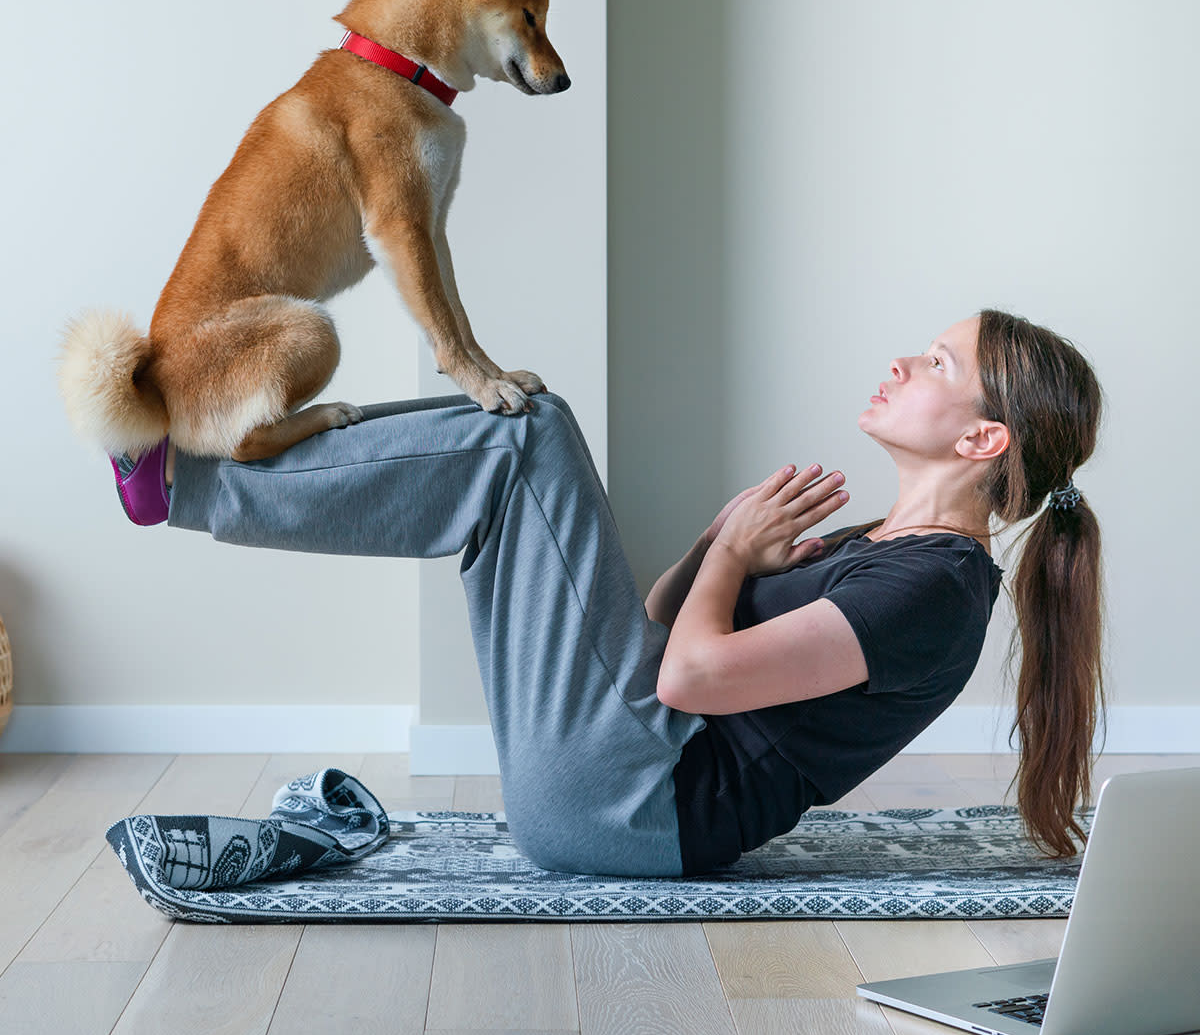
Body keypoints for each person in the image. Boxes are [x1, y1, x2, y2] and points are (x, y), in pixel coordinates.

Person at [114, 307, 1103, 876]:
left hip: (636, 807)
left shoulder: (936, 589)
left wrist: (730, 560)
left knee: (527, 430)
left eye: (936, 363)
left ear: (983, 441)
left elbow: (692, 682)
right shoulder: (887, 547)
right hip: (620, 781)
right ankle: (200, 472)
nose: (901, 360)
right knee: (510, 460)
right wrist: (719, 545)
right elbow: (659, 632)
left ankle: (192, 479)